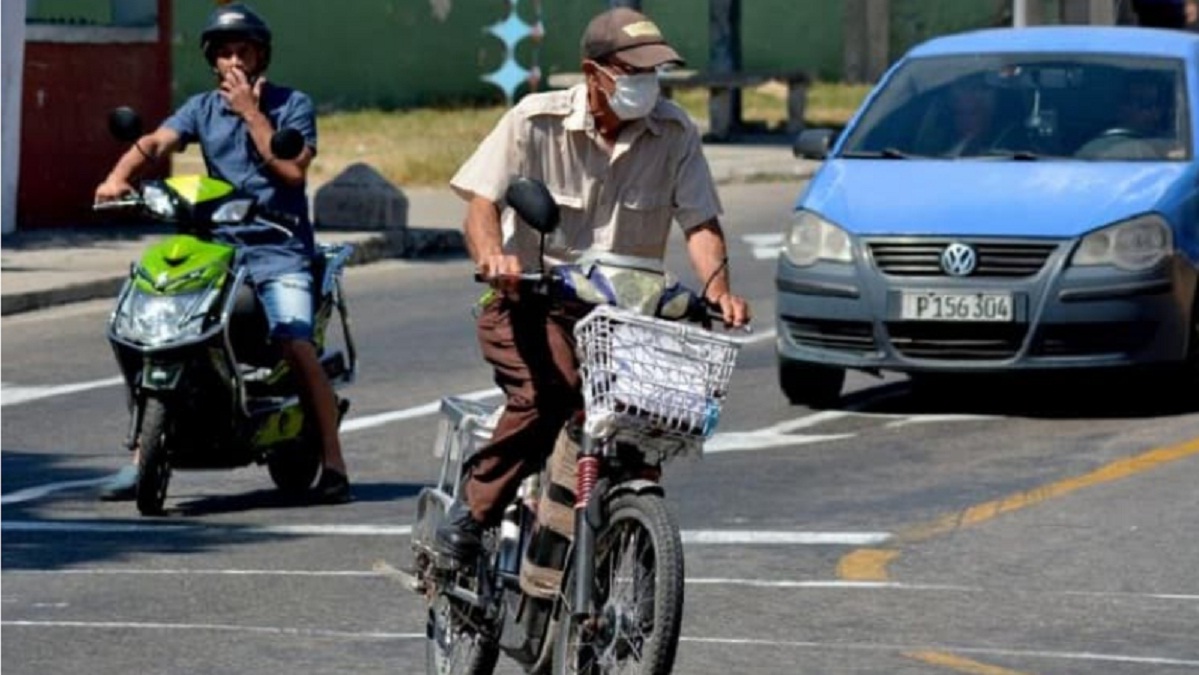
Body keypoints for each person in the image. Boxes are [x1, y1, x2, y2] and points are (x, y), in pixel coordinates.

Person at [434, 7, 751, 563]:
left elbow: (700, 223)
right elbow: (481, 205)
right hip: (532, 304)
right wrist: (493, 258)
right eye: (633, 72)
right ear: (593, 73)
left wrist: (719, 288)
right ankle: (473, 512)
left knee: (650, 424)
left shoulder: (674, 132)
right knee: (549, 396)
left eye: (653, 72)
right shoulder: (535, 121)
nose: (646, 84)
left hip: (625, 319)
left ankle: (614, 549)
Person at [93, 3, 351, 503]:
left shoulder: (292, 105)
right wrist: (117, 178)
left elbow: (292, 170)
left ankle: (335, 465)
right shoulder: (201, 108)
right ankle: (142, 454)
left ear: (260, 57)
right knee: (152, 327)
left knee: (294, 339)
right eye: (225, 52)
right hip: (217, 246)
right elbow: (157, 141)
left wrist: (251, 114)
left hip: (278, 249)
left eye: (243, 52)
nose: (234, 61)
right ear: (212, 60)